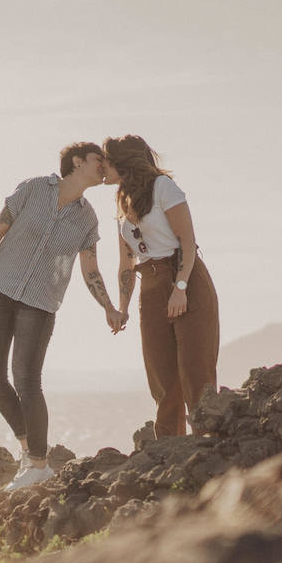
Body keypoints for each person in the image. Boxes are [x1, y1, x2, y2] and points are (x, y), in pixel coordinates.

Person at [0, 142, 125, 489]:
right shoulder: (34, 188)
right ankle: (29, 449)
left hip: (40, 304)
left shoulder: (87, 218)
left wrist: (109, 307)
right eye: (99, 159)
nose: (104, 166)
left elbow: (91, 270)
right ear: (78, 161)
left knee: (27, 379)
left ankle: (39, 465)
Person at [102, 134, 219, 438]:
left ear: (123, 162)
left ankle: (208, 443)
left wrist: (180, 287)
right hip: (150, 286)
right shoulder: (120, 204)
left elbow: (188, 242)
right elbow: (126, 263)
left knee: (196, 370)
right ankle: (169, 451)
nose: (102, 165)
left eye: (107, 160)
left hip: (186, 278)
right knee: (162, 376)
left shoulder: (163, 187)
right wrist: (122, 308)